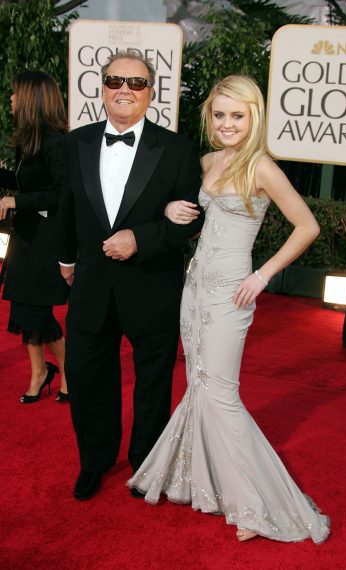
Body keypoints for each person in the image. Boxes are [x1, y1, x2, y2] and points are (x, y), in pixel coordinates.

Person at [127, 75, 330, 544]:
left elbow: (308, 226)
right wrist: (177, 215)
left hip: (233, 292)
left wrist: (262, 276)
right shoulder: (208, 161)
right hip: (194, 288)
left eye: (237, 115)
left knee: (220, 394)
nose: (227, 123)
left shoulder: (262, 167)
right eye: (219, 115)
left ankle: (256, 502)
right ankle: (210, 485)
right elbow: (207, 226)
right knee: (198, 386)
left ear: (254, 116)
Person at [57, 51, 203, 500]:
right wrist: (65, 260)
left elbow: (192, 218)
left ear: (151, 92)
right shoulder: (75, 142)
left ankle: (146, 465)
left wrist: (141, 238)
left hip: (151, 284)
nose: (125, 89)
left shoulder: (176, 147)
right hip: (92, 285)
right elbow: (66, 209)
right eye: (116, 80)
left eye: (136, 83)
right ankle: (95, 461)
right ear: (101, 87)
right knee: (86, 377)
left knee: (153, 384)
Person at [0, 71, 69, 404]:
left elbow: (61, 194)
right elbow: (25, 184)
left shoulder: (56, 140)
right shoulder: (28, 139)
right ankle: (40, 373)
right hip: (26, 236)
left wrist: (17, 201)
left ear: (30, 98)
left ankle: (66, 373)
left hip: (46, 239)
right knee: (25, 308)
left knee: (36, 311)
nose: (10, 100)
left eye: (14, 94)